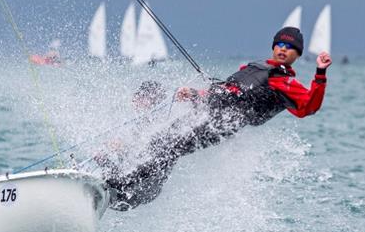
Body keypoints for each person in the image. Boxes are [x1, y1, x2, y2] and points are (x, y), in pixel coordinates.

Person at [104, 26, 332, 210]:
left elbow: (308, 107)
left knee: (171, 147)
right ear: (273, 46)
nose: (284, 49)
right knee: (159, 139)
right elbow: (225, 92)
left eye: (291, 47)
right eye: (280, 44)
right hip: (207, 113)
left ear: (298, 54)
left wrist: (320, 73)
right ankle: (121, 173)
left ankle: (122, 184)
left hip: (223, 125)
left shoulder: (285, 82)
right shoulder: (253, 67)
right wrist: (195, 94)